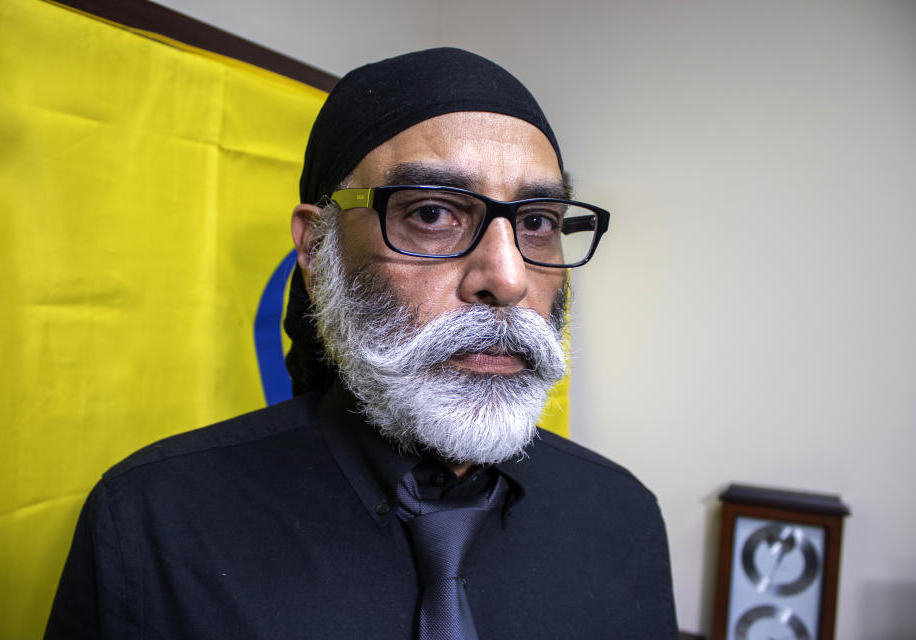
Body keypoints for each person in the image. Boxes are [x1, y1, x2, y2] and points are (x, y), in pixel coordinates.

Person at [45, 47, 678, 639]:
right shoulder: (153, 524)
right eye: (432, 213)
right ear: (317, 253)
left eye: (538, 222)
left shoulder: (622, 518)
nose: (507, 279)